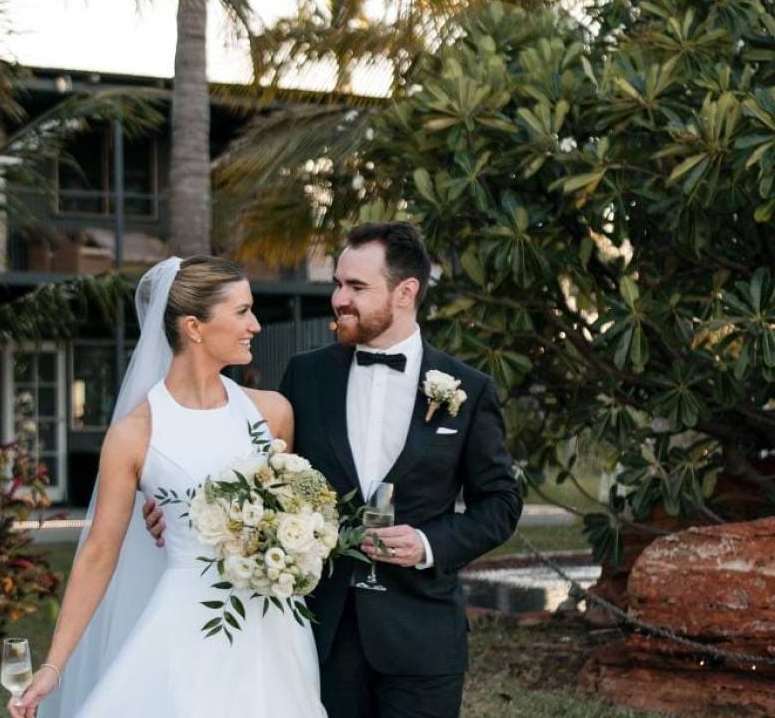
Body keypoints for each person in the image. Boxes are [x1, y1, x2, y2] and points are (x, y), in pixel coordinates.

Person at [144, 223, 522, 718]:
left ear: (406, 292)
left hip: (421, 637)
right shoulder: (305, 375)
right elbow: (259, 474)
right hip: (320, 633)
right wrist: (184, 506)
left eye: (357, 287)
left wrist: (430, 545)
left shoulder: (466, 390)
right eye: (338, 284)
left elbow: (500, 501)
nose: (340, 298)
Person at [10, 256, 327, 718]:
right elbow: (99, 553)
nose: (255, 325)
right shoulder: (134, 435)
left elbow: (290, 510)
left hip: (275, 631)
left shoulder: (272, 413)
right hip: (187, 630)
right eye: (241, 312)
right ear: (195, 328)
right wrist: (54, 666)